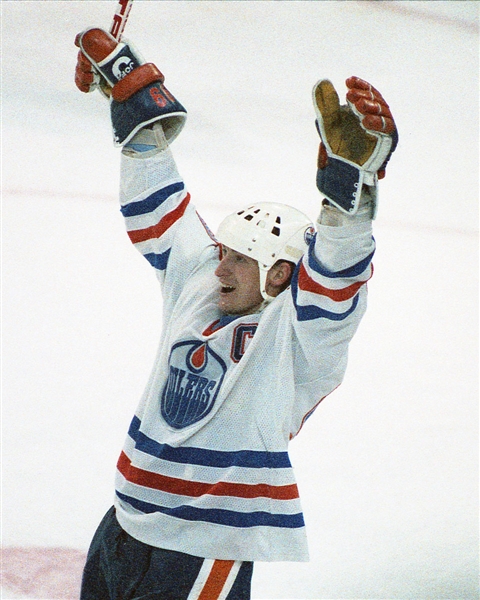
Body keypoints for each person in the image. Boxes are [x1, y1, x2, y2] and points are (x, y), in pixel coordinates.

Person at [74, 27, 397, 600]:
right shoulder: (203, 283)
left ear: (278, 273)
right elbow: (162, 207)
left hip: (204, 543)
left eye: (241, 259)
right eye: (223, 251)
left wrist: (349, 185)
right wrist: (133, 107)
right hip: (123, 524)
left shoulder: (298, 342)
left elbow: (336, 276)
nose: (220, 268)